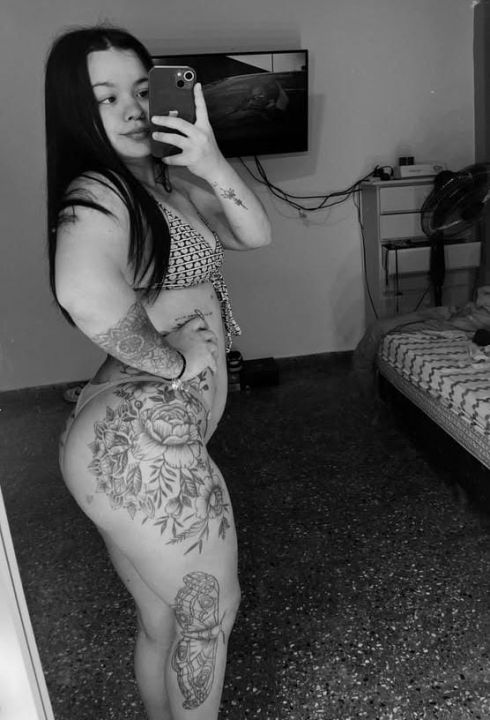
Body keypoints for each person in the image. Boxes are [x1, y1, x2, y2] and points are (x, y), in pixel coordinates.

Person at [44, 25, 271, 720]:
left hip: (122, 433)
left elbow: (254, 233)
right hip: (140, 438)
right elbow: (82, 292)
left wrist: (210, 158)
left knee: (165, 621)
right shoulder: (98, 191)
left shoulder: (161, 182)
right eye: (106, 97)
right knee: (208, 617)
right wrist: (174, 358)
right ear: (76, 111)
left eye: (143, 90)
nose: (134, 108)